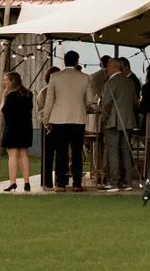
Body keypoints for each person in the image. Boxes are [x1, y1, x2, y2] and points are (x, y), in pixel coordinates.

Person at [41, 50, 95, 192]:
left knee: (61, 152)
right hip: (78, 118)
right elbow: (90, 100)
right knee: (77, 152)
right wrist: (82, 105)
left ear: (64, 61)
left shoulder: (55, 77)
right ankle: (77, 183)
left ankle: (61, 183)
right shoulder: (85, 77)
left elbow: (49, 101)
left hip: (58, 119)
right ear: (77, 61)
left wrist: (46, 119)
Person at [101, 57, 138, 190]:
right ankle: (128, 182)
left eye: (108, 66)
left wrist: (104, 118)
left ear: (114, 66)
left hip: (113, 122)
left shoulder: (110, 83)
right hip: (128, 121)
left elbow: (106, 104)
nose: (106, 69)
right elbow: (135, 102)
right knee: (126, 151)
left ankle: (113, 181)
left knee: (113, 152)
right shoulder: (130, 82)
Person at [1, 71, 34, 192]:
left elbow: (3, 110)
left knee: (13, 155)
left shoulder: (10, 96)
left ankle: (13, 181)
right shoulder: (28, 94)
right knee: (24, 154)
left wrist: (3, 97)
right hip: (25, 127)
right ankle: (27, 181)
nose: (4, 82)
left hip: (12, 127)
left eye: (6, 80)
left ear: (12, 81)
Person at [37, 66, 60, 189]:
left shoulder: (63, 92)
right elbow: (40, 110)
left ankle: (60, 180)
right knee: (47, 155)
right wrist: (46, 121)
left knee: (62, 154)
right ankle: (46, 181)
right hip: (48, 126)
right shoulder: (44, 92)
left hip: (61, 124)